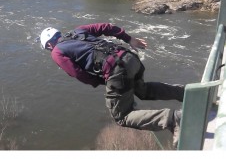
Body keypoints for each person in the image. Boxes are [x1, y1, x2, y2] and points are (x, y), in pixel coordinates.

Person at [39, 23, 184, 149]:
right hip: (129, 57)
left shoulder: (57, 52)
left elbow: (78, 74)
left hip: (115, 69)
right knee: (143, 90)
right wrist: (129, 39)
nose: (49, 50)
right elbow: (106, 27)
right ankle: (184, 93)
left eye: (47, 48)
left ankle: (172, 119)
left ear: (49, 45)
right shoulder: (78, 31)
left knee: (121, 117)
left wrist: (102, 81)